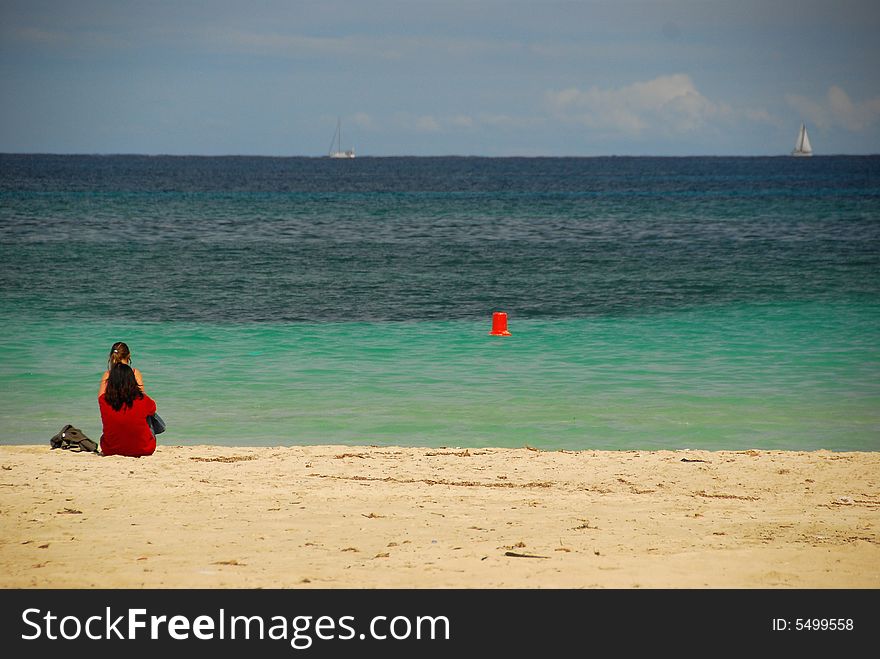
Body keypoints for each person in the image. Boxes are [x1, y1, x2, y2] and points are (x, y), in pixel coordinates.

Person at [98, 363, 157, 457]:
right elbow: (153, 408)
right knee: (149, 415)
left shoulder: (103, 400)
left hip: (110, 449)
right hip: (144, 449)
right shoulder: (142, 399)